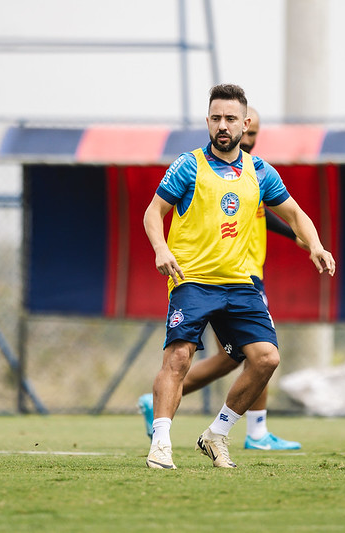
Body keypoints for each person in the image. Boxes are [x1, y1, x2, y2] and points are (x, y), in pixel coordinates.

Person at [142, 84, 335, 469]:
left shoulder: (260, 171)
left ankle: (217, 434)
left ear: (244, 123)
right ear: (208, 121)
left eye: (231, 119)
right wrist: (162, 249)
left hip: (239, 283)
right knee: (178, 358)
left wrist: (315, 245)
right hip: (192, 279)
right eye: (216, 118)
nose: (223, 125)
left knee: (265, 359)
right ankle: (160, 442)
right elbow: (153, 212)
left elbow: (295, 214)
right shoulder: (188, 164)